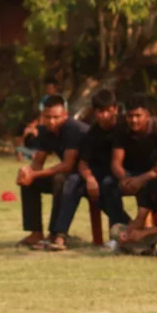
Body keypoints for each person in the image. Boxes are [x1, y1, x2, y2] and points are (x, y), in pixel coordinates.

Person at [51, 89, 130, 251]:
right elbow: (83, 163)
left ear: (115, 109)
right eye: (101, 112)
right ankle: (60, 235)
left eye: (109, 110)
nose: (105, 115)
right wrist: (89, 179)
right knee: (72, 181)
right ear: (95, 112)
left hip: (120, 172)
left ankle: (118, 236)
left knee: (108, 185)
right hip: (96, 172)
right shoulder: (92, 133)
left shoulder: (125, 127)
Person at [15, 94, 89, 250]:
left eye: (56, 117)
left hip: (87, 175)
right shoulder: (45, 131)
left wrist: (34, 174)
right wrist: (27, 173)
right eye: (47, 117)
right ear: (42, 116)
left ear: (65, 115)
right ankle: (35, 233)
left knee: (60, 179)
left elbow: (68, 165)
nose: (51, 121)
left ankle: (55, 233)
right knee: (30, 182)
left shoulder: (73, 129)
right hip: (69, 175)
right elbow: (38, 161)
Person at [111, 93, 157, 196]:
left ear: (147, 115)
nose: (134, 120)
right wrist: (125, 179)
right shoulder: (121, 128)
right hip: (131, 173)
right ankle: (120, 213)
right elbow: (116, 162)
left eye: (138, 115)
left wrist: (141, 180)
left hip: (156, 173)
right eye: (130, 116)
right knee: (107, 185)